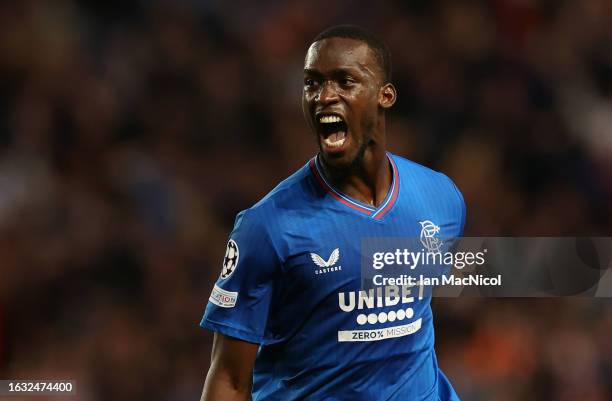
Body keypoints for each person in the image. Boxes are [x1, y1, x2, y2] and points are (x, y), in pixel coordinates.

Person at [199, 25, 465, 401]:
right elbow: (228, 379)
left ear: (384, 95)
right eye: (312, 84)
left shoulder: (441, 198)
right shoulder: (266, 227)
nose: (324, 96)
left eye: (345, 81)